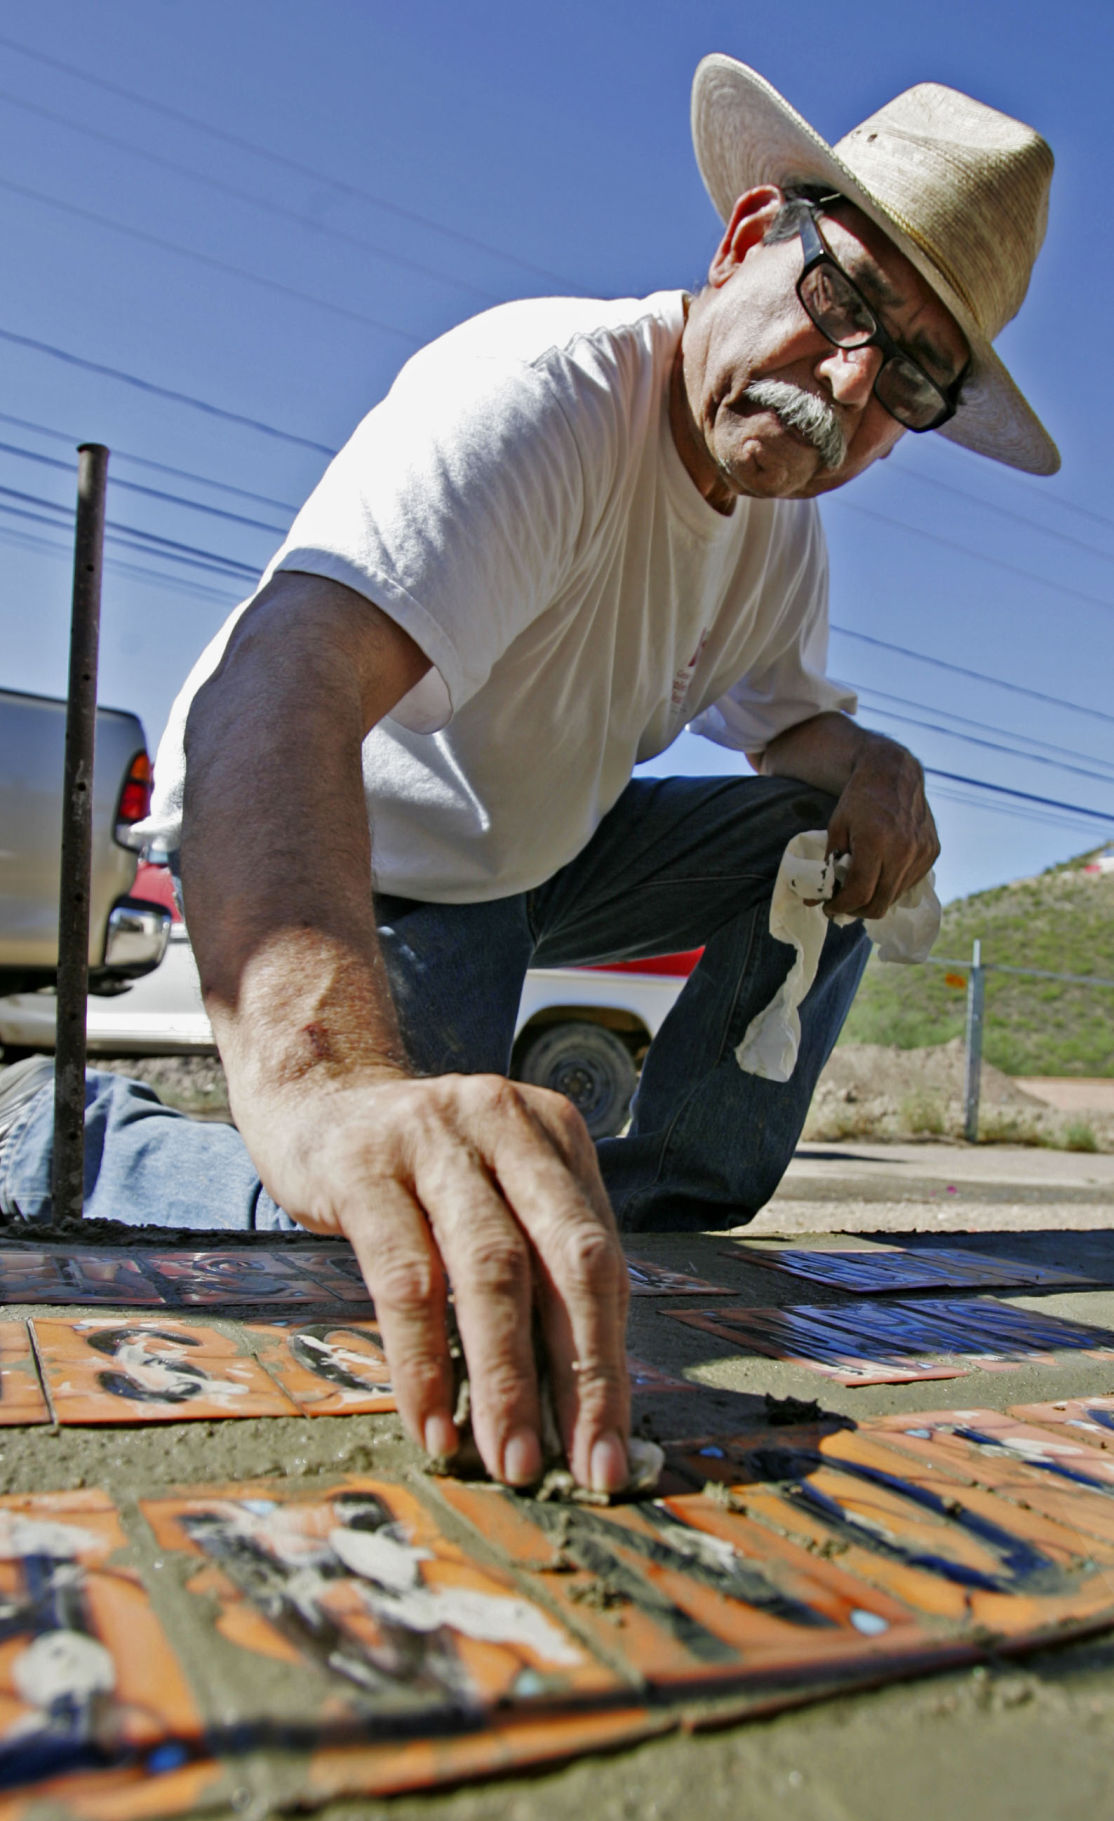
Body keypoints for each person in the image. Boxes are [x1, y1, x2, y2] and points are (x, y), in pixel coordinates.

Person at [0, 58, 1057, 1495]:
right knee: (374, 1209)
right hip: (366, 860)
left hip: (543, 853)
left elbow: (790, 730)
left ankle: (656, 1210)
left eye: (914, 377)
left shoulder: (771, 526)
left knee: (819, 828)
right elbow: (276, 686)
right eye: (843, 303)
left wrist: (871, 764)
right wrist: (331, 1086)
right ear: (748, 238)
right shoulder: (544, 396)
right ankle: (58, 1134)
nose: (852, 385)